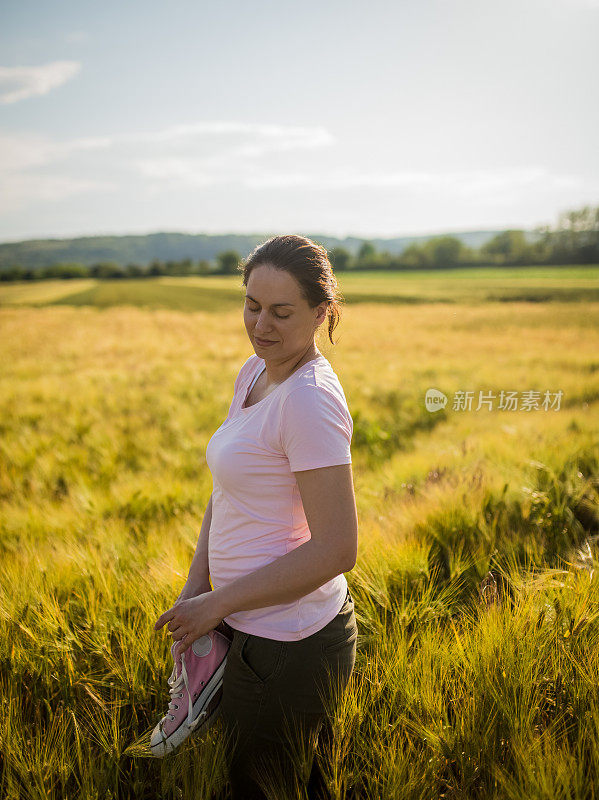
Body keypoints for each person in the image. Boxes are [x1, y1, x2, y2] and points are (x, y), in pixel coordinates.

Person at [155, 234, 359, 799]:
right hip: (240, 621)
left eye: (281, 311)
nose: (260, 325)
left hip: (287, 642)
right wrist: (199, 585)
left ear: (321, 313)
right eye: (251, 305)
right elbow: (227, 491)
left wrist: (217, 602)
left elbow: (338, 549)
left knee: (262, 787)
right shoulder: (255, 371)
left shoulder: (309, 400)